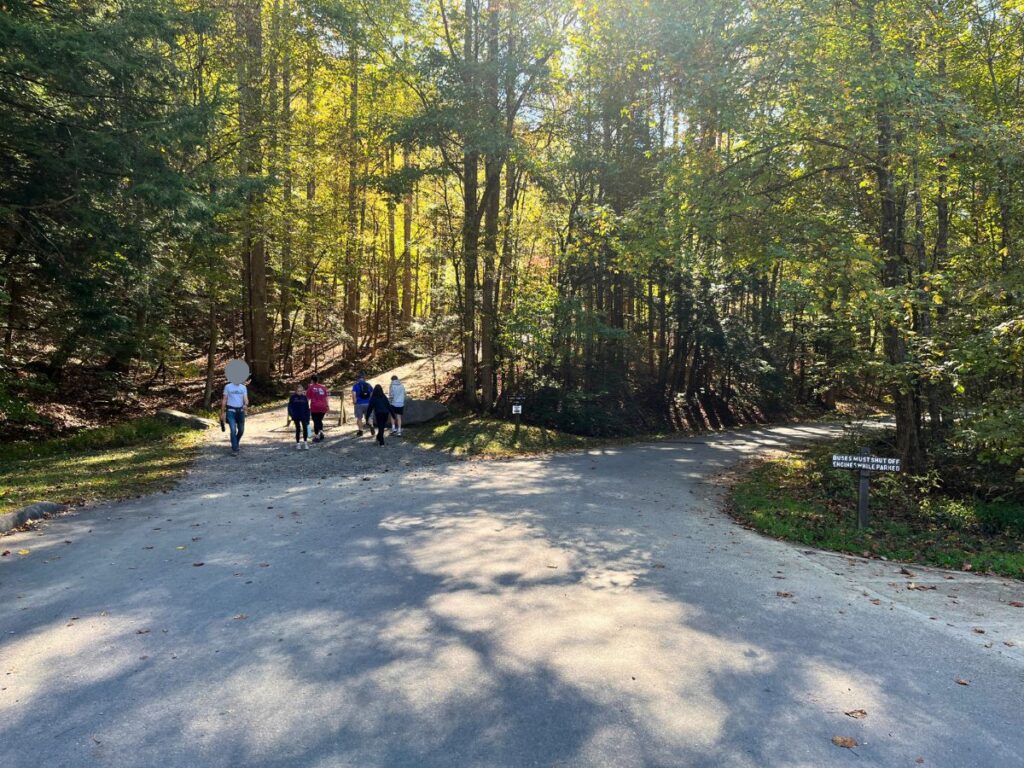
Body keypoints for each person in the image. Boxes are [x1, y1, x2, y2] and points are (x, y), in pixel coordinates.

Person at [220, 376, 249, 455]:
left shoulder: (243, 388)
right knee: (233, 430)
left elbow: (246, 399)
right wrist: (222, 413)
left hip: (240, 411)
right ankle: (235, 449)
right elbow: (224, 399)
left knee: (241, 430)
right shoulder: (228, 387)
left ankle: (235, 442)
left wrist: (245, 404)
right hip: (230, 411)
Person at [306, 375, 330, 442]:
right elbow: (326, 397)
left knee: (316, 421)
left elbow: (307, 398)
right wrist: (327, 406)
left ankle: (317, 436)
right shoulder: (323, 387)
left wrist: (305, 406)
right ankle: (321, 432)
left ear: (312, 380)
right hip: (323, 407)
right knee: (319, 420)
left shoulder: (310, 387)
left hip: (315, 407)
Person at [287, 384, 311, 450]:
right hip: (296, 416)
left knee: (305, 428)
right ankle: (298, 444)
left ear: (303, 391)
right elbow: (289, 407)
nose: (299, 392)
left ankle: (305, 443)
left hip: (303, 415)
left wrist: (308, 416)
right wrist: (292, 414)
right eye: (298, 391)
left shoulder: (304, 397)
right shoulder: (292, 397)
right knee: (298, 429)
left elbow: (307, 407)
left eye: (301, 391)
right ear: (296, 391)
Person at [351, 372, 372, 436]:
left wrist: (354, 402)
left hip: (359, 404)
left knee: (359, 418)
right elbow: (371, 394)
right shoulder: (368, 385)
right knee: (369, 417)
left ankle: (361, 431)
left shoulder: (355, 386)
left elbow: (354, 395)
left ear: (358, 378)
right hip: (368, 403)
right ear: (364, 378)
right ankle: (372, 425)